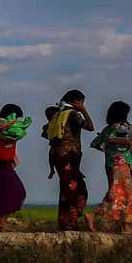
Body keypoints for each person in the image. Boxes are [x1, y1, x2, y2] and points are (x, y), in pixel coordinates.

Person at [42, 90, 95, 231]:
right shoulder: (72, 114)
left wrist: (52, 165)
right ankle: (71, 223)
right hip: (69, 156)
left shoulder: (58, 115)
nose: (83, 104)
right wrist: (83, 110)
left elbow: (52, 143)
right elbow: (90, 127)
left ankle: (65, 222)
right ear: (76, 101)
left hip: (60, 157)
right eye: (82, 102)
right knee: (74, 189)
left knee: (67, 189)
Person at [90, 100, 132, 234]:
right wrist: (127, 142)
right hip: (121, 161)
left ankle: (121, 225)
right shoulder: (120, 126)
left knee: (114, 192)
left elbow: (95, 144)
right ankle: (124, 226)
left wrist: (108, 150)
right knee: (127, 194)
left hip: (110, 163)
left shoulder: (107, 128)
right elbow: (112, 139)